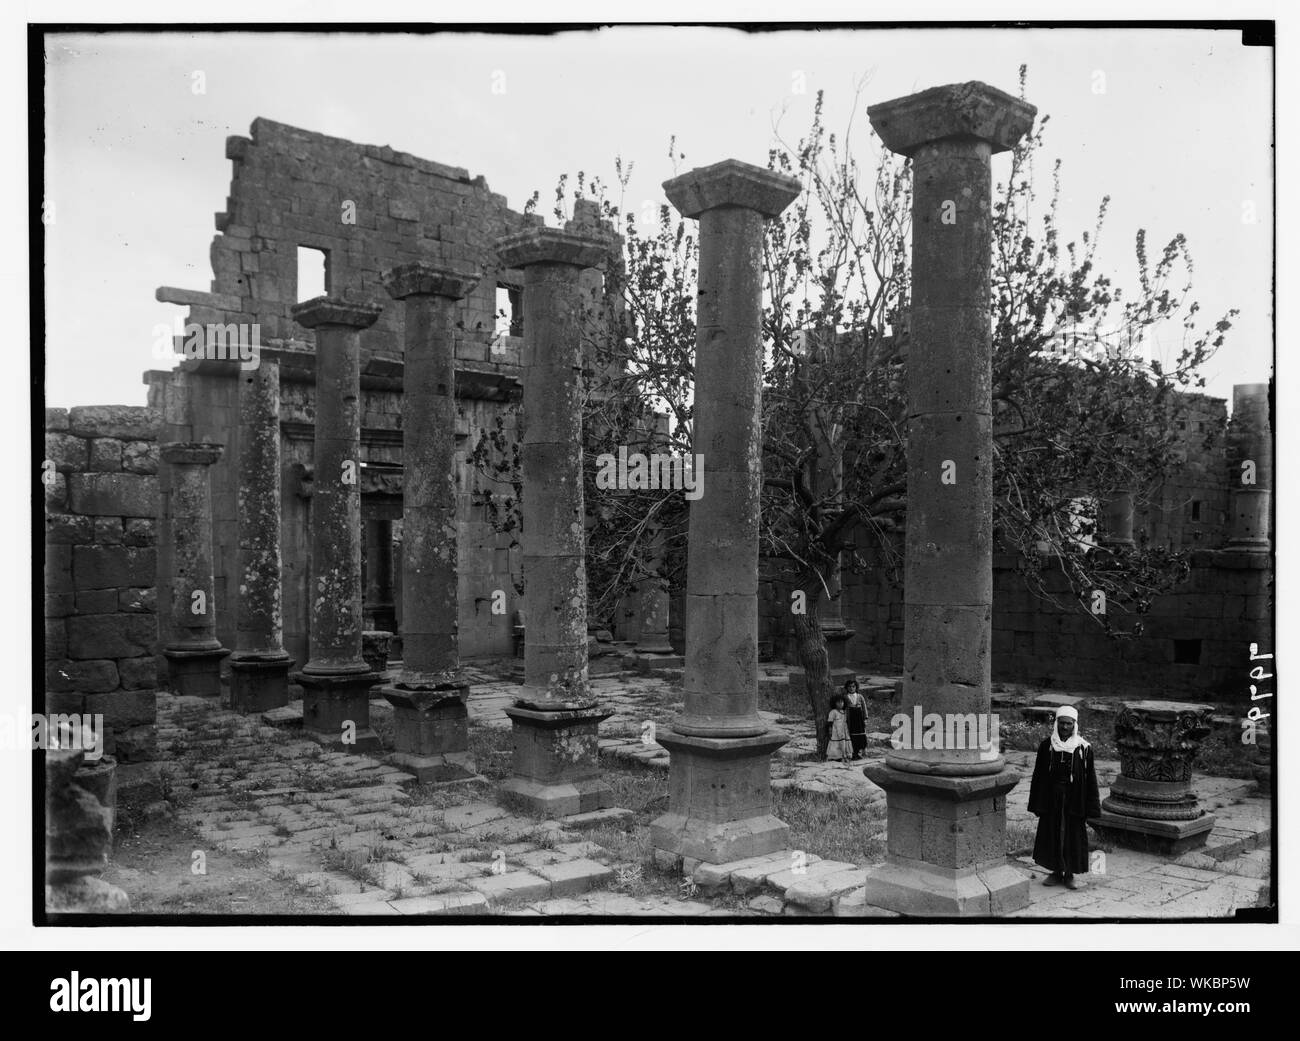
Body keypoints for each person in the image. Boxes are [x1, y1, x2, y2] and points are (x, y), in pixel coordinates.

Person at [1028, 705, 1102, 890]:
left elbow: (1090, 778)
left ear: (1074, 725)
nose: (1065, 727)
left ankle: (1069, 874)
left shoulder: (1083, 749)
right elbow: (1038, 776)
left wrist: (1092, 807)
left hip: (1074, 799)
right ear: (1056, 724)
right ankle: (1055, 872)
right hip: (1052, 799)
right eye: (1062, 723)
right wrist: (1036, 803)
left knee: (1072, 836)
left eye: (1069, 724)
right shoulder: (1047, 746)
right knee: (1052, 834)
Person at [843, 678, 868, 760]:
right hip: (851, 719)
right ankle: (853, 753)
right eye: (849, 686)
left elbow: (864, 707)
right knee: (852, 736)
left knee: (860, 735)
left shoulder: (860, 697)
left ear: (856, 687)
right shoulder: (845, 697)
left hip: (859, 719)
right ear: (847, 688)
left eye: (853, 686)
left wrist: (865, 717)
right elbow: (843, 708)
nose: (851, 688)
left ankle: (858, 752)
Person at [827, 694, 852, 763]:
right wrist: (830, 730)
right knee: (836, 742)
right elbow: (830, 722)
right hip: (836, 730)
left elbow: (845, 721)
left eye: (842, 702)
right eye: (838, 702)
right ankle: (836, 756)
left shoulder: (844, 712)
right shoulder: (833, 712)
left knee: (844, 742)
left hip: (844, 730)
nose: (840, 704)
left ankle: (845, 755)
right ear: (834, 703)